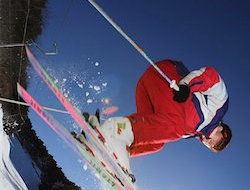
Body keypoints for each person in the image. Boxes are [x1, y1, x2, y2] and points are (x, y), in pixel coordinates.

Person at [84, 60, 232, 181]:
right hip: (167, 77)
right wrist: (186, 85)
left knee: (156, 144)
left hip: (148, 88)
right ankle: (117, 133)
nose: (213, 145)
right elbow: (212, 77)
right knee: (177, 127)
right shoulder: (218, 108)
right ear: (222, 130)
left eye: (214, 148)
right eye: (219, 143)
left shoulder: (191, 133)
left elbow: (152, 127)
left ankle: (107, 147)